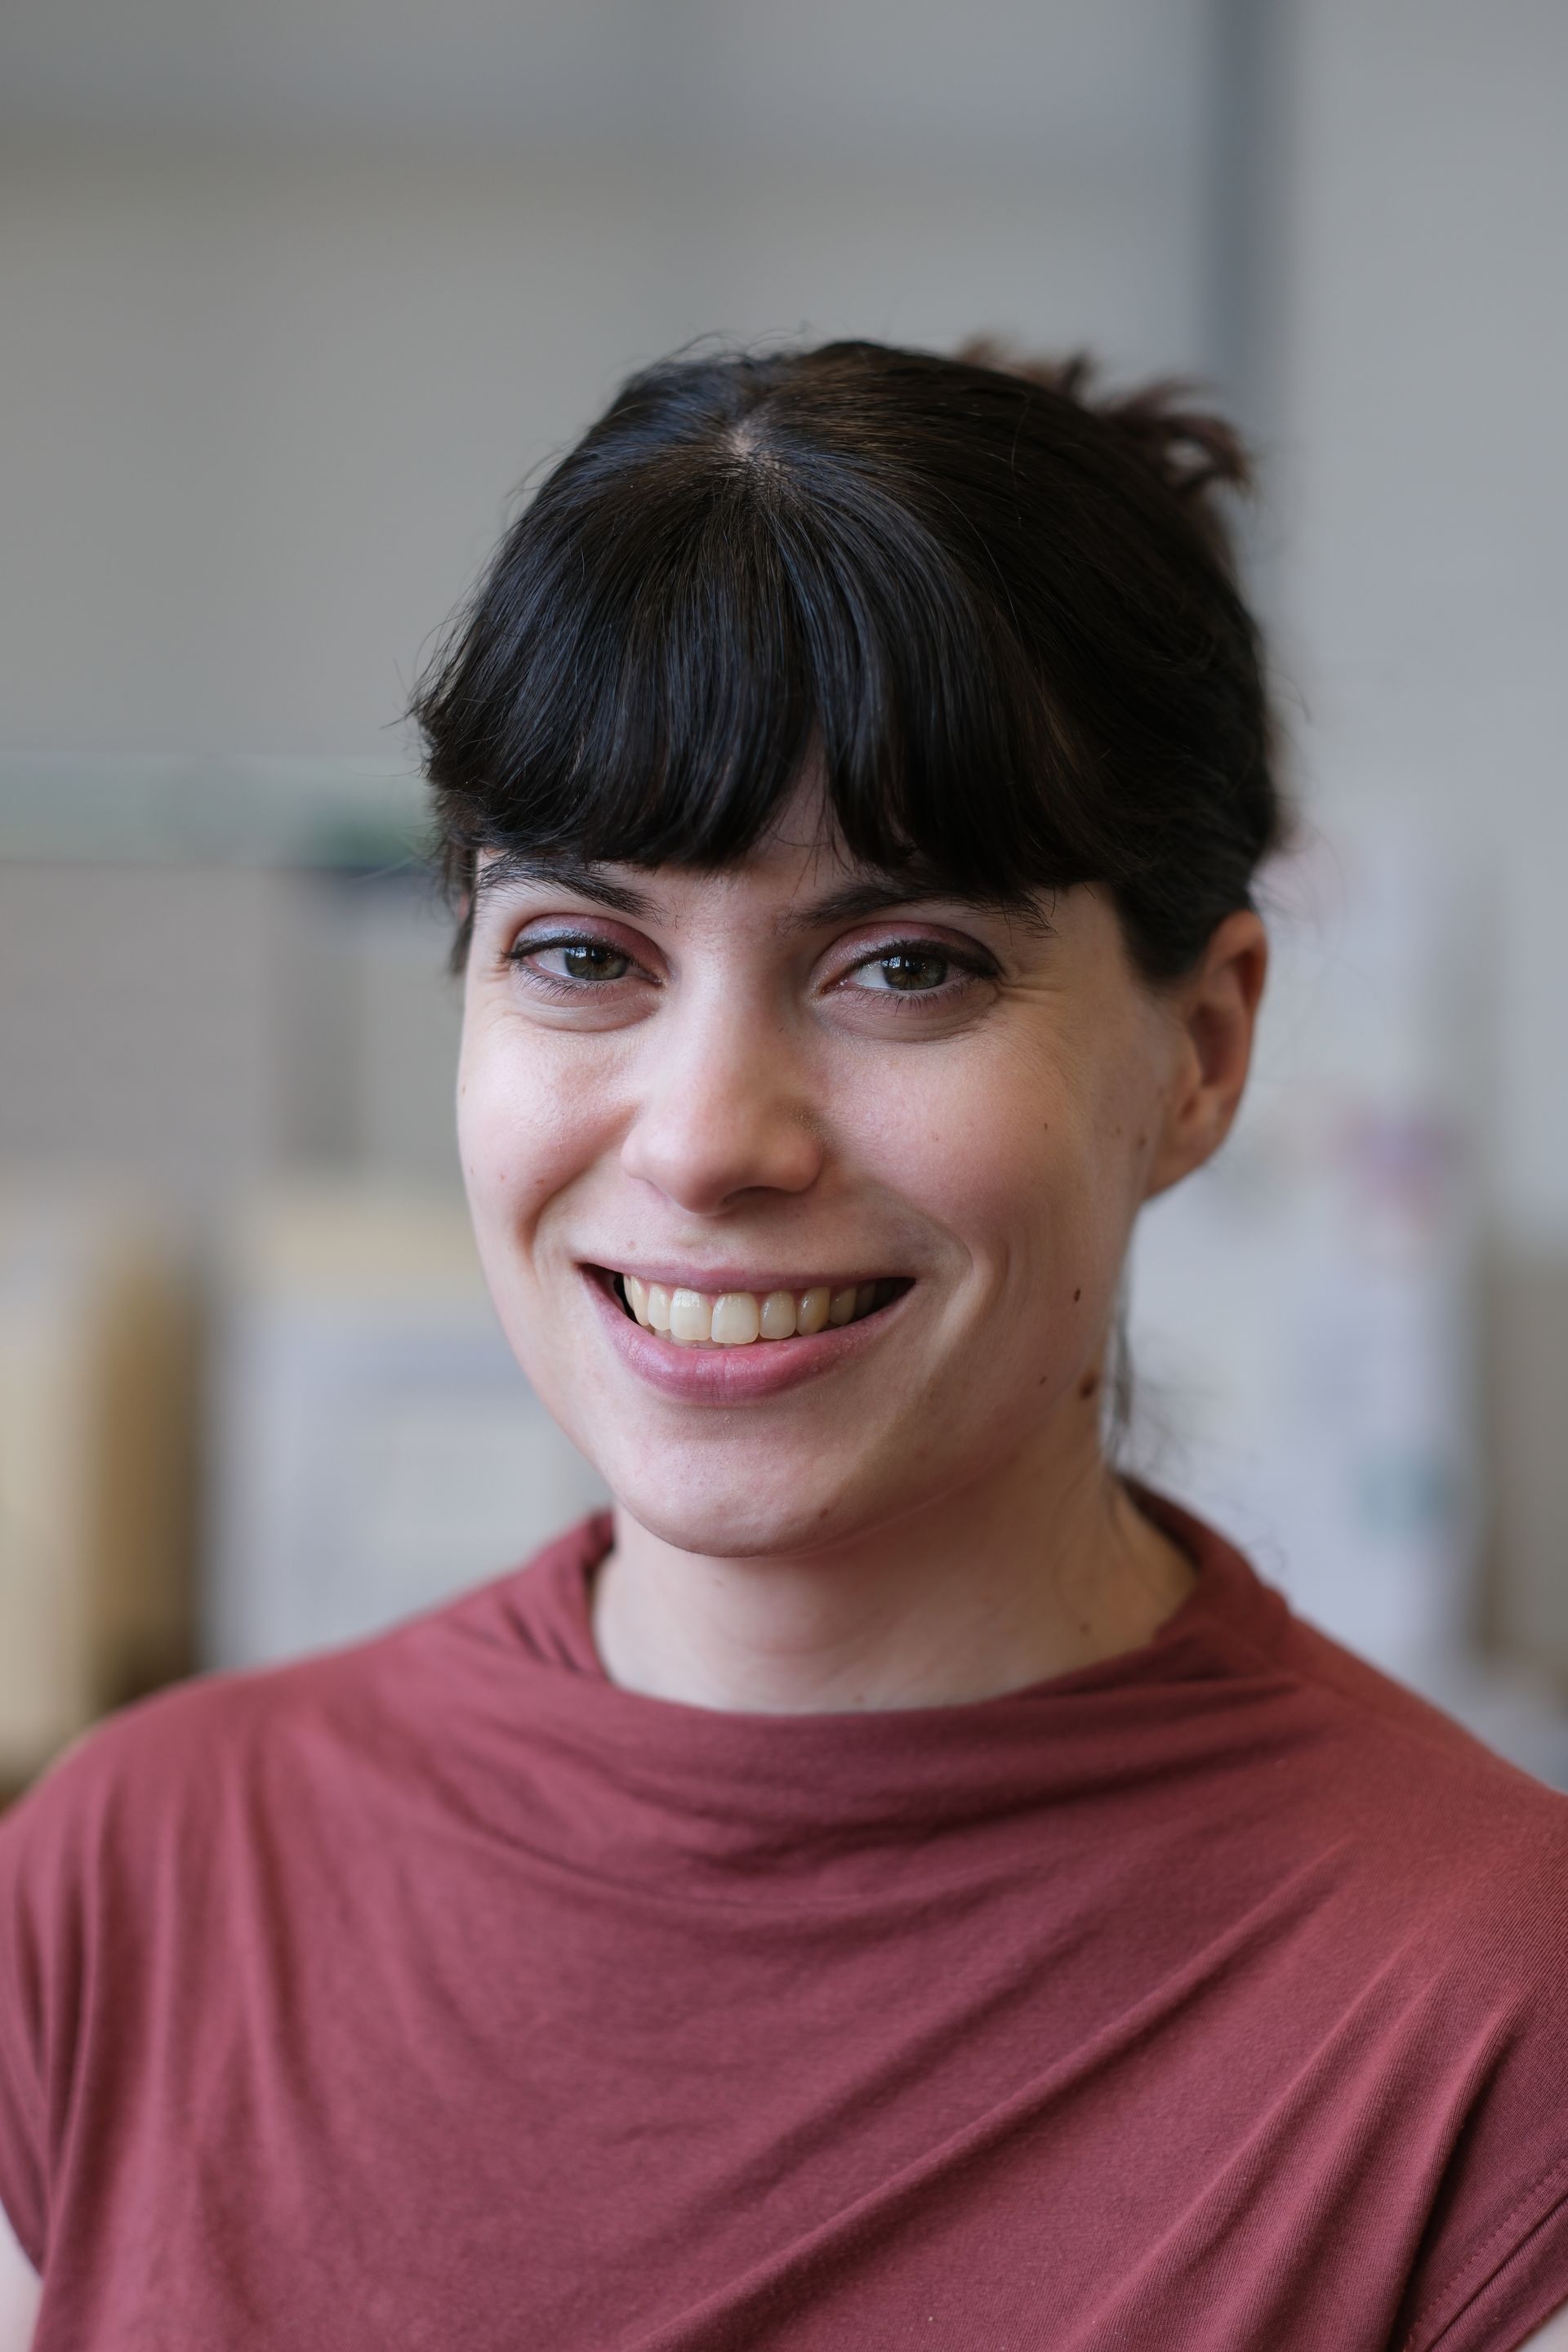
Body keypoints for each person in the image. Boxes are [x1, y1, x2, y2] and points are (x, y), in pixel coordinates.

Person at [2, 339, 1566, 2352]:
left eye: (903, 965)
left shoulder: (1488, 2037)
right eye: (583, 952)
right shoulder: (127, 1889)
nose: (707, 1141)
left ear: (1202, 1048)